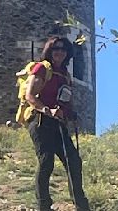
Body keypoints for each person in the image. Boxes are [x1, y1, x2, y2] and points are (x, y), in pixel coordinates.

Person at [26, 36, 90, 211]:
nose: (60, 52)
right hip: (40, 121)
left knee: (73, 161)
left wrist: (71, 114)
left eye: (63, 49)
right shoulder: (41, 69)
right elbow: (30, 96)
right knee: (46, 161)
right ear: (50, 51)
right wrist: (47, 110)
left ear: (68, 53)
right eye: (56, 49)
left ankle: (81, 205)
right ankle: (44, 206)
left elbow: (64, 100)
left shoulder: (65, 75)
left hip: (58, 123)